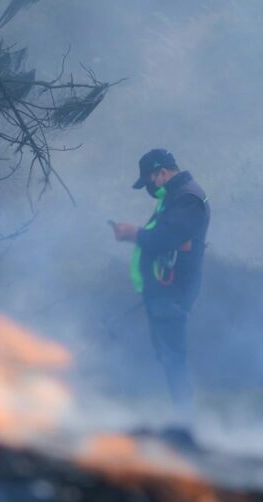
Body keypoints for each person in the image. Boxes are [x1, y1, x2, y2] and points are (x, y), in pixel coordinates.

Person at [110, 148, 210, 432]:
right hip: (163, 292)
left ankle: (186, 423)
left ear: (161, 172)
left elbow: (167, 239)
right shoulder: (175, 197)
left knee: (172, 357)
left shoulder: (187, 199)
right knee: (167, 355)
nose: (150, 189)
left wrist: (134, 234)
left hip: (173, 293)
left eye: (149, 181)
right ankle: (182, 421)